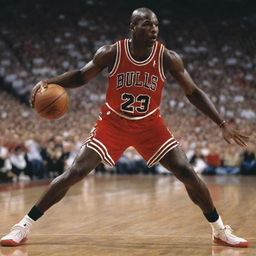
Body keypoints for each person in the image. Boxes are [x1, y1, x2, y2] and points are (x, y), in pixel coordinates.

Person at [0, 8, 249, 247]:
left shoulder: (167, 57)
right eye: (147, 24)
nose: (154, 29)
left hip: (150, 124)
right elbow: (81, 76)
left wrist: (222, 123)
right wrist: (49, 81)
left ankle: (219, 230)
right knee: (76, 171)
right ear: (133, 27)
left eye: (156, 25)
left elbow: (193, 92)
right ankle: (23, 225)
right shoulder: (111, 52)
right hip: (113, 122)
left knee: (187, 172)